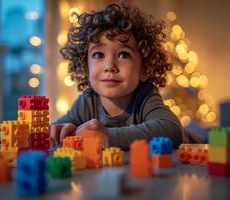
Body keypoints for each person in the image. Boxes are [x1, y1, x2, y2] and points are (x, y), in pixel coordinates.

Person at [51, 2, 186, 149]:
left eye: (123, 54)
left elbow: (172, 130)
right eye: (98, 54)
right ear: (85, 66)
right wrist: (63, 130)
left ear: (145, 68)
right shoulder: (87, 101)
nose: (110, 66)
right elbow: (55, 128)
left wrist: (107, 136)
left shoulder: (145, 97)